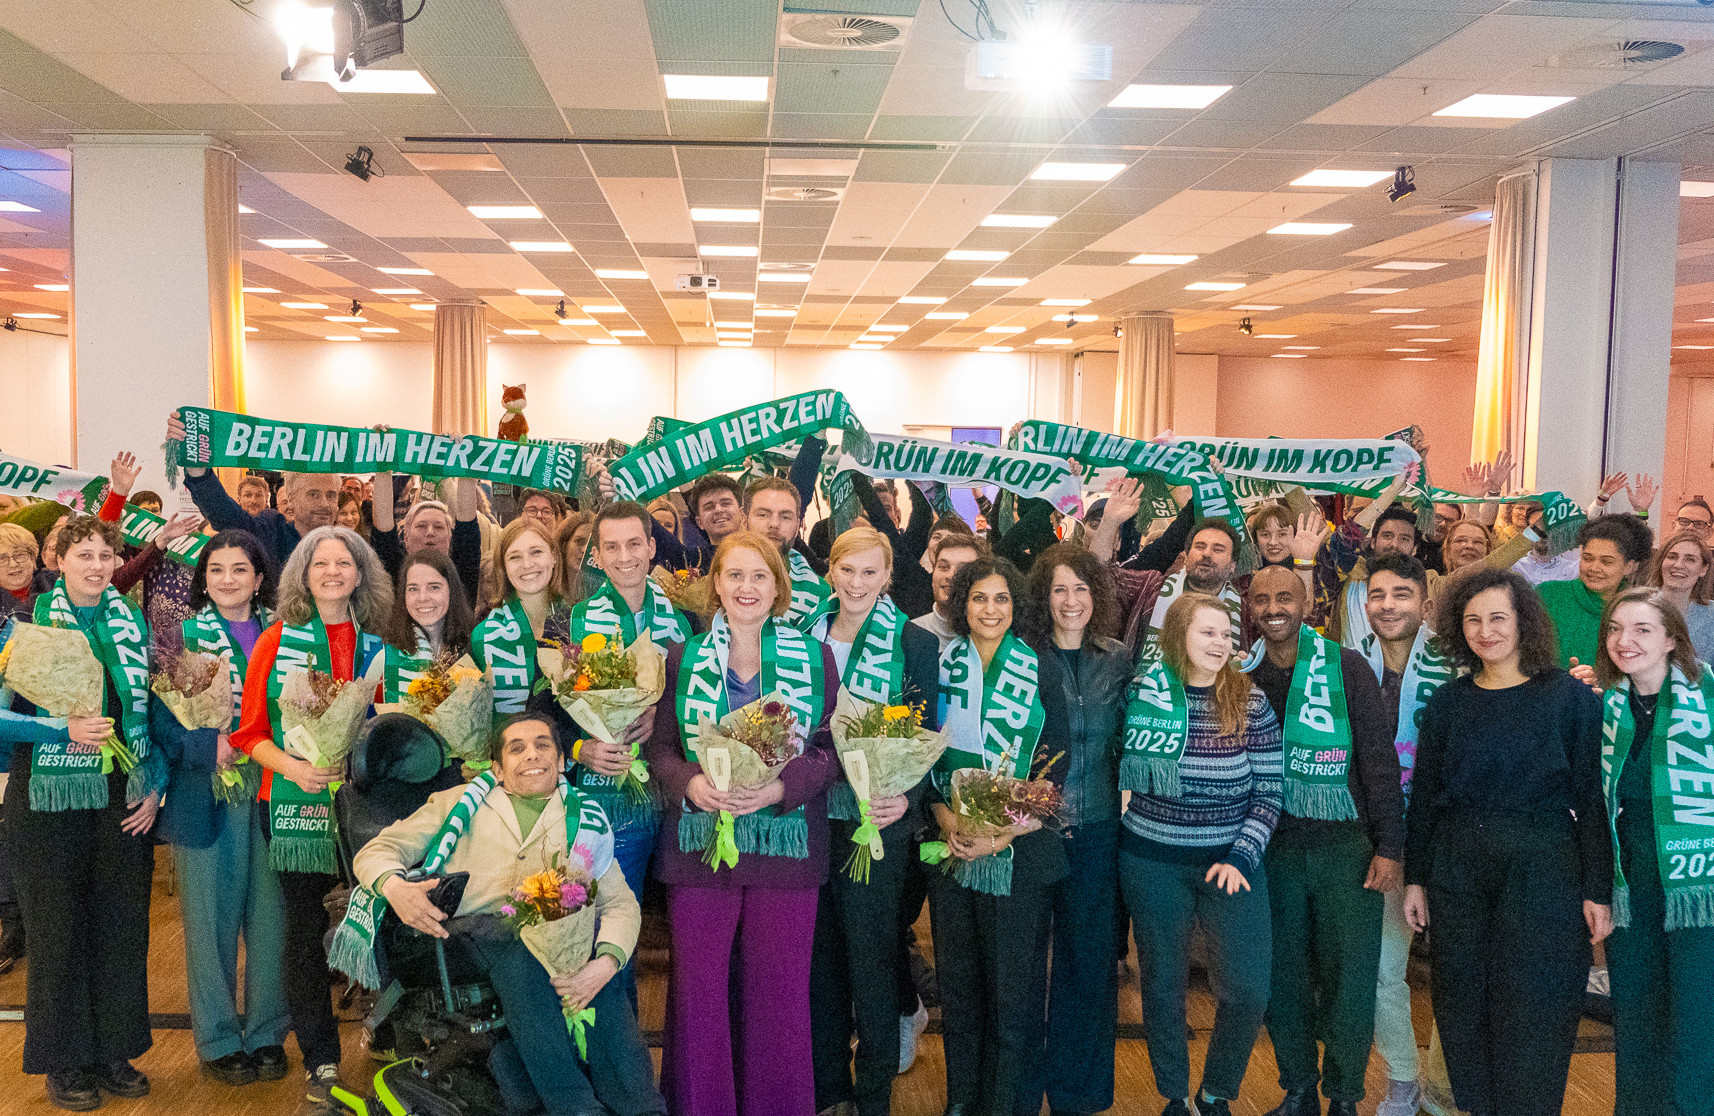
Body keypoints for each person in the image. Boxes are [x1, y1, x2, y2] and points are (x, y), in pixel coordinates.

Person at [354, 714, 664, 1116]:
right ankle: (574, 1107)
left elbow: (619, 903)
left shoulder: (586, 819)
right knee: (515, 942)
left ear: (562, 760)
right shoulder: (456, 803)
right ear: (498, 769)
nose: (531, 755)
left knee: (596, 964)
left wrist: (605, 963)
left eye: (542, 745)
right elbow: (376, 851)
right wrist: (395, 888)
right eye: (516, 748)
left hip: (551, 933)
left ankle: (641, 1107)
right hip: (471, 936)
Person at [1403, 568, 1612, 1116]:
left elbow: (1592, 802)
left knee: (1537, 1008)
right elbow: (1424, 797)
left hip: (1545, 867)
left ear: (1524, 622)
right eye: (1472, 619)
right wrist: (1416, 878)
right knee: (1463, 1005)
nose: (1485, 630)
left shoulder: (1570, 699)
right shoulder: (1448, 703)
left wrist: (1598, 889)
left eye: (1498, 617)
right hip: (1458, 872)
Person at [644, 531, 839, 1116]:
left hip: (787, 848)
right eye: (735, 576)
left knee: (777, 999)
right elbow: (659, 752)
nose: (746, 588)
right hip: (701, 848)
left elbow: (832, 749)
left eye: (760, 577)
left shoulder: (814, 657)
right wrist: (689, 785)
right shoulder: (682, 657)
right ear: (717, 586)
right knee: (699, 997)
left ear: (778, 587)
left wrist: (783, 787)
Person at [0, 516, 164, 1112]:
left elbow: (153, 716)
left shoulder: (131, 621)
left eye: (105, 555)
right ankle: (65, 1060)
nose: (97, 566)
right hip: (47, 798)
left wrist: (154, 783)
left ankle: (113, 1051)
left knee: (121, 927)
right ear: (58, 559)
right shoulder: (24, 625)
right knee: (57, 929)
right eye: (84, 555)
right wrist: (57, 728)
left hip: (121, 795)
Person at [231, 525, 391, 1102]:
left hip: (366, 809)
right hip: (292, 803)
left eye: (343, 563)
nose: (331, 572)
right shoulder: (276, 640)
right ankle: (320, 1058)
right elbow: (249, 732)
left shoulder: (379, 642)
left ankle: (390, 1034)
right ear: (303, 572)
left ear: (359, 573)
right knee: (303, 934)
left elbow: (395, 723)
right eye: (319, 563)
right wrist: (297, 768)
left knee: (381, 918)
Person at [1242, 567, 1403, 1116]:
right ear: (1251, 607)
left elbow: (1380, 761)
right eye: (1261, 599)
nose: (1273, 607)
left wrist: (1389, 847)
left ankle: (1343, 1095)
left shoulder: (1347, 667)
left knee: (1350, 980)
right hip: (1272, 851)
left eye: (1284, 596)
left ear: (1307, 601)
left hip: (1346, 850)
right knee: (1279, 977)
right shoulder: (1239, 674)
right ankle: (1298, 1089)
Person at [1119, 592, 1281, 1116]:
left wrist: (1241, 855)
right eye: (1206, 632)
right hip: (1151, 861)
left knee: (1249, 990)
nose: (1219, 643)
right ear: (1178, 637)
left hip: (1230, 862)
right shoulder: (1142, 693)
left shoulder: (1250, 701)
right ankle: (1174, 1097)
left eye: (1226, 633)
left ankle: (1216, 1093)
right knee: (1163, 991)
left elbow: (1270, 791)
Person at [805, 526, 941, 1116]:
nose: (857, 583)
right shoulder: (801, 633)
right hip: (810, 813)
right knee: (821, 959)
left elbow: (926, 732)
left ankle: (874, 1094)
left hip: (875, 819)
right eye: (846, 570)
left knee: (873, 959)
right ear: (830, 573)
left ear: (888, 577)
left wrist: (906, 798)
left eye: (870, 572)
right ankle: (830, 1087)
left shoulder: (912, 642)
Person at [927, 555, 1069, 1116]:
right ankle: (962, 1103)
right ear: (962, 604)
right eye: (979, 598)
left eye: (1002, 598)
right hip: (951, 849)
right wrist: (944, 817)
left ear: (1017, 605)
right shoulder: (938, 664)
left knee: (1013, 998)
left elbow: (1056, 765)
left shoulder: (1042, 668)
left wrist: (1003, 833)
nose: (990, 609)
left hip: (1019, 855)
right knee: (959, 992)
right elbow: (917, 752)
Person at [156, 529, 289, 1086]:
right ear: (203, 581)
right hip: (204, 790)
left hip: (273, 786)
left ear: (260, 579)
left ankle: (266, 1033)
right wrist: (200, 745)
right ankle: (215, 1039)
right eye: (216, 570)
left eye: (240, 569)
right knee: (209, 922)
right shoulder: (179, 635)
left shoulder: (286, 634)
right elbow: (156, 715)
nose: (228, 579)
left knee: (271, 917)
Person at [1578, 589, 1714, 1116]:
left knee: (1697, 1019)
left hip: (1699, 889)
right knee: (1636, 1018)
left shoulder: (1710, 695)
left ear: (1672, 639)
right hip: (1630, 886)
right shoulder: (1604, 707)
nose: (1624, 641)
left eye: (1641, 630)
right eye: (1615, 629)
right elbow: (1591, 806)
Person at [1019, 543, 1131, 1116]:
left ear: (1097, 596)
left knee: (1087, 969)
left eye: (1082, 589)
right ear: (1044, 597)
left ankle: (1078, 1096)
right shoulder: (1019, 657)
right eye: (1059, 589)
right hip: (1030, 832)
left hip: (1097, 832)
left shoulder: (1117, 659)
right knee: (1024, 970)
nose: (1071, 601)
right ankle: (1018, 1089)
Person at [562, 503, 691, 988]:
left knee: (686, 933)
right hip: (609, 792)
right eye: (611, 547)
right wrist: (580, 749)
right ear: (597, 554)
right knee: (608, 928)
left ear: (653, 547)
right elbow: (551, 709)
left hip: (676, 795)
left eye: (634, 544)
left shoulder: (686, 622)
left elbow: (705, 705)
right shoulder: (571, 621)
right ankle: (614, 1051)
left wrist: (662, 715)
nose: (624, 557)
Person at [1354, 554, 1460, 1116]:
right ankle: (1402, 1077)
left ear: (1425, 603)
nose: (1388, 605)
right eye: (1377, 595)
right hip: (1386, 841)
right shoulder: (1349, 665)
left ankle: (1448, 1089)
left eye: (1401, 594)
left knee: (1460, 975)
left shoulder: (1459, 665)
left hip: (1451, 842)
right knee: (1381, 973)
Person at [169, 409, 340, 568]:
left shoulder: (348, 546)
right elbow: (225, 516)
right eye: (313, 494)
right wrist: (197, 466)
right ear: (291, 499)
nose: (325, 503)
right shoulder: (271, 533)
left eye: (331, 495)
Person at [470, 518, 571, 727]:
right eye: (515, 557)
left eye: (536, 552)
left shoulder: (581, 623)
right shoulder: (484, 636)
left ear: (553, 557)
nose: (527, 564)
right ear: (503, 568)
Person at [1314, 471, 1427, 647]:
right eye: (1387, 535)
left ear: (1414, 549)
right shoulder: (1351, 576)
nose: (1394, 544)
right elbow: (1345, 540)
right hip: (1350, 672)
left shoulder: (1429, 582)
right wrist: (1391, 492)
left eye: (1404, 539)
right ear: (1373, 542)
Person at [1535, 514, 1654, 669]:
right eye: (1588, 558)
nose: (1594, 568)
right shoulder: (1548, 595)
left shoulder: (1640, 610)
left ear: (1629, 567)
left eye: (1606, 562)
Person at [1136, 517, 1244, 666]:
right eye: (1200, 546)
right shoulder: (1150, 588)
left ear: (1233, 565)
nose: (1206, 554)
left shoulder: (1246, 611)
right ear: (1186, 557)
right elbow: (1103, 577)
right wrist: (1110, 522)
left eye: (1218, 549)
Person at [380, 549, 476, 703]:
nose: (422, 597)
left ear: (452, 590)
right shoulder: (384, 655)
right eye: (413, 589)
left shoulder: (474, 647)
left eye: (434, 587)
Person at [745, 475, 833, 626]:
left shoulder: (821, 594)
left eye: (785, 517)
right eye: (763, 514)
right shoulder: (718, 583)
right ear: (743, 517)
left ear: (797, 525)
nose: (774, 524)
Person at [909, 532, 985, 652]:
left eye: (963, 570)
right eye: (943, 567)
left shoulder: (992, 640)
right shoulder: (908, 634)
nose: (950, 575)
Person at [1646, 529, 1714, 661]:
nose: (1678, 565)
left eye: (1690, 560)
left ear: (1703, 569)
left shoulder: (1711, 616)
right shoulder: (1635, 607)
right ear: (1661, 562)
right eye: (1672, 556)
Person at [0, 521, 39, 623]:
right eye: (2, 558)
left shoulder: (54, 584)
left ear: (33, 558)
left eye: (20, 555)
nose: (13, 564)